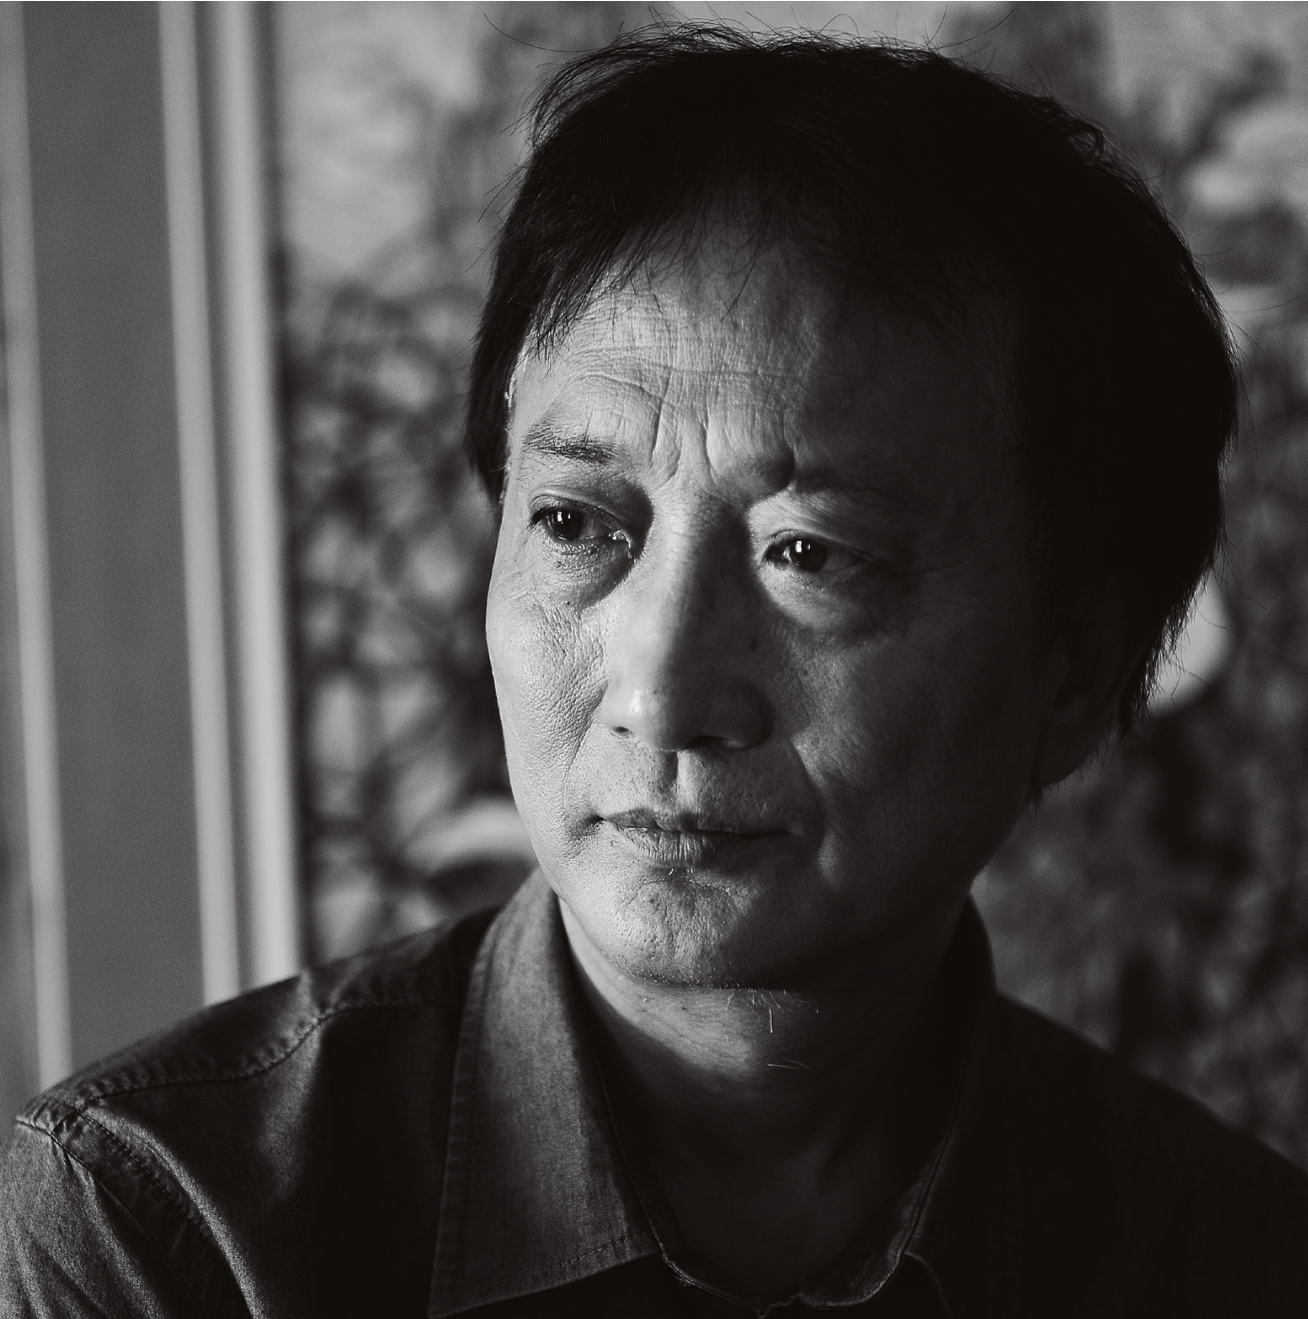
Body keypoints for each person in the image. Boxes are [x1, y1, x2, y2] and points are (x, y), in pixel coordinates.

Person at [3, 25, 1306, 1318]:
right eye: (578, 526)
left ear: (1075, 673)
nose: (663, 695)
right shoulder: (170, 1231)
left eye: (809, 554)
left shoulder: (1234, 1265)